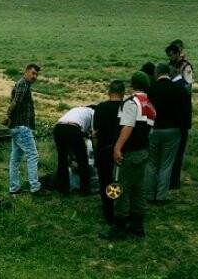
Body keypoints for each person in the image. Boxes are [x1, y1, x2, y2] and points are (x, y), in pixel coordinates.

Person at [103, 72, 154, 239]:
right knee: (138, 188)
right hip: (143, 151)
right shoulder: (149, 104)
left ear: (132, 85)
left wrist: (117, 147)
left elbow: (127, 126)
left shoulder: (131, 103)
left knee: (120, 188)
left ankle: (119, 228)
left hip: (130, 153)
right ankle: (137, 225)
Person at [144, 63, 188, 203]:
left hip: (153, 130)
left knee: (151, 163)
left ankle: (150, 195)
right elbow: (184, 112)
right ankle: (161, 196)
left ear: (157, 73)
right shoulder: (179, 89)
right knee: (166, 164)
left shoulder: (151, 89)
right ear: (168, 73)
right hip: (173, 130)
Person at [3, 64, 44, 195]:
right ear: (26, 72)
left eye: (36, 74)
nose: (34, 76)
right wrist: (8, 115)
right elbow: (16, 102)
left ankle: (14, 188)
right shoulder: (23, 84)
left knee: (15, 159)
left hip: (17, 127)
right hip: (21, 127)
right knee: (33, 155)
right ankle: (35, 187)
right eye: (33, 73)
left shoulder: (24, 84)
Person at [93, 80, 125, 225]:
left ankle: (108, 212)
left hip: (103, 149)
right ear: (123, 94)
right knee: (119, 181)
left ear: (109, 92)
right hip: (121, 150)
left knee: (105, 181)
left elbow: (96, 132)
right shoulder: (126, 107)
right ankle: (119, 210)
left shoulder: (100, 107)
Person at [53, 106, 95, 196]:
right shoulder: (93, 112)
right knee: (82, 160)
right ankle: (84, 190)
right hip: (73, 129)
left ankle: (63, 190)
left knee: (62, 160)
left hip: (58, 128)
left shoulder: (77, 109)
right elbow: (93, 133)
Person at [169, 43, 193, 189]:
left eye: (172, 54)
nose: (170, 57)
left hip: (181, 109)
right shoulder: (174, 65)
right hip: (175, 109)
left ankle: (174, 180)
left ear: (178, 53)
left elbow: (187, 88)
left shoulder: (186, 67)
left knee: (177, 150)